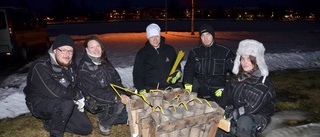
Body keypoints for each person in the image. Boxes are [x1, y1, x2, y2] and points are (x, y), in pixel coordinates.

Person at [23, 34, 93, 137]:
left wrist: (85, 97)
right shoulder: (41, 65)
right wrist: (76, 95)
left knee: (85, 128)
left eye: (70, 51)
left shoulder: (71, 66)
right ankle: (56, 134)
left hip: (63, 101)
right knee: (66, 104)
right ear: (55, 50)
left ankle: (51, 123)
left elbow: (77, 84)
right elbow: (52, 90)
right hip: (40, 102)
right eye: (63, 50)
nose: (67, 54)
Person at [216, 39, 276, 137]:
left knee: (244, 121)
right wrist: (217, 111)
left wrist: (231, 115)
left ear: (256, 60)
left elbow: (250, 108)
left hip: (257, 116)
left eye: (249, 59)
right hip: (235, 112)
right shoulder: (236, 78)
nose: (245, 62)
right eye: (243, 59)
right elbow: (224, 99)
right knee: (217, 124)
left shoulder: (263, 83)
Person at [77, 36, 130, 136]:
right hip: (96, 101)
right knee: (119, 105)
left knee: (129, 112)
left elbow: (117, 81)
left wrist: (122, 93)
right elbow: (94, 92)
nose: (96, 49)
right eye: (92, 47)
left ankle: (108, 114)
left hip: (110, 96)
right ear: (86, 50)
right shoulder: (83, 69)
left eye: (98, 46)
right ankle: (104, 123)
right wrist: (116, 97)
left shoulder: (104, 62)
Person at [183, 24, 235, 104]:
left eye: (208, 35)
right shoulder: (195, 52)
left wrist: (227, 88)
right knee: (189, 105)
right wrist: (187, 82)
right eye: (203, 35)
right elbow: (189, 69)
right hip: (200, 88)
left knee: (224, 108)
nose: (205, 38)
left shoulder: (225, 52)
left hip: (218, 88)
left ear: (213, 35)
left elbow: (238, 72)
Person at [133, 23, 181, 94]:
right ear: (148, 37)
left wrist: (177, 72)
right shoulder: (142, 54)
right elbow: (137, 74)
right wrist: (140, 88)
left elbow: (176, 65)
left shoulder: (169, 50)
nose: (155, 39)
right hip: (150, 89)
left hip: (168, 88)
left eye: (157, 36)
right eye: (152, 37)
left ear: (160, 36)